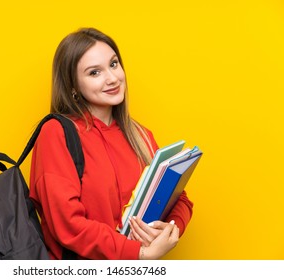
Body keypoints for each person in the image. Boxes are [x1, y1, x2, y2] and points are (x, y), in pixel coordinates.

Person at [29, 27, 193, 260]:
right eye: (94, 72)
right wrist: (139, 254)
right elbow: (67, 225)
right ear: (73, 87)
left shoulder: (141, 136)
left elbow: (179, 198)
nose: (112, 78)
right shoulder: (56, 133)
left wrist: (171, 229)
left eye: (114, 64)